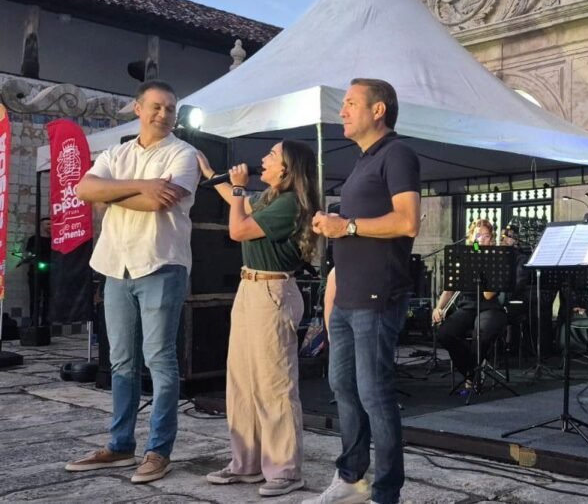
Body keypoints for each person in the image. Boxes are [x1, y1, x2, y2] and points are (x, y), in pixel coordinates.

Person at [66, 80, 199, 483]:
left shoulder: (183, 154)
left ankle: (159, 450)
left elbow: (158, 202)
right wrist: (141, 184)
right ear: (138, 109)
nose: (164, 114)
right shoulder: (116, 153)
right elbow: (83, 188)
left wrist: (110, 194)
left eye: (171, 108)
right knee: (121, 361)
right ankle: (120, 445)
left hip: (161, 264)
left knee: (160, 359)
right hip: (116, 266)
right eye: (156, 106)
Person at [305, 78, 420, 504]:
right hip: (348, 296)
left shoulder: (397, 154)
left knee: (374, 394)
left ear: (378, 110)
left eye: (351, 103)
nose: (342, 111)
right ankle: (351, 478)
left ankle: (386, 493)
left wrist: (346, 226)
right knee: (343, 387)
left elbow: (408, 222)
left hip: (377, 295)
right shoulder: (363, 161)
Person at [198, 140, 320, 497]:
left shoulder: (291, 203)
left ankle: (285, 470)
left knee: (273, 384)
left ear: (287, 168)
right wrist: (213, 175)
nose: (263, 159)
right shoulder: (270, 198)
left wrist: (238, 188)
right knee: (242, 381)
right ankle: (246, 463)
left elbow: (238, 229)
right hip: (250, 288)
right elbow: (240, 205)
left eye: (272, 155)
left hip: (272, 291)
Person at [433, 219, 509, 391]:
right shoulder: (463, 258)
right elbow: (449, 289)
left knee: (481, 332)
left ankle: (471, 376)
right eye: (478, 235)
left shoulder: (497, 259)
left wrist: (482, 265)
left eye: (486, 236)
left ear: (491, 239)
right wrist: (439, 307)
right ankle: (472, 369)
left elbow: (488, 294)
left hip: (489, 306)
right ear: (471, 237)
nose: (482, 239)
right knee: (445, 333)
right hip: (467, 306)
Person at [23, 217, 52, 323]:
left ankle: (46, 322)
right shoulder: (33, 239)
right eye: (47, 224)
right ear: (41, 226)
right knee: (35, 298)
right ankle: (33, 322)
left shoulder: (54, 240)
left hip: (50, 273)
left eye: (51, 224)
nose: (50, 226)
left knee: (48, 299)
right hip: (35, 273)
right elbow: (28, 254)